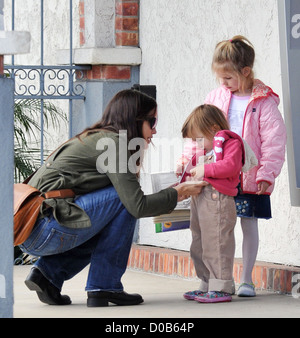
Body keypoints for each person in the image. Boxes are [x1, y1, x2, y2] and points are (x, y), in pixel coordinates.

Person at [19, 89, 205, 307]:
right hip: (45, 227)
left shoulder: (99, 138)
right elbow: (137, 205)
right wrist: (177, 193)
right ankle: (104, 285)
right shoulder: (114, 144)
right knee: (124, 201)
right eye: (152, 121)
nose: (155, 130)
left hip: (33, 229)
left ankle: (47, 275)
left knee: (114, 215)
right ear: (134, 119)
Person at [180, 35, 287, 297]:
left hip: (249, 175)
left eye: (228, 78)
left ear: (245, 72)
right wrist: (187, 160)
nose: (223, 83)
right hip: (218, 176)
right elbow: (200, 131)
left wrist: (267, 173)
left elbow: (274, 141)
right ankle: (214, 279)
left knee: (248, 223)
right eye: (220, 78)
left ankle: (247, 279)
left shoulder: (263, 102)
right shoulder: (216, 96)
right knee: (216, 227)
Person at [180, 104, 245, 303]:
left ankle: (221, 285)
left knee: (216, 241)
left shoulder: (230, 143)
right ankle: (207, 282)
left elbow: (230, 166)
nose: (197, 145)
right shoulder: (208, 148)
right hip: (201, 198)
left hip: (218, 199)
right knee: (199, 241)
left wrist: (205, 169)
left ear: (214, 129)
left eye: (198, 139)